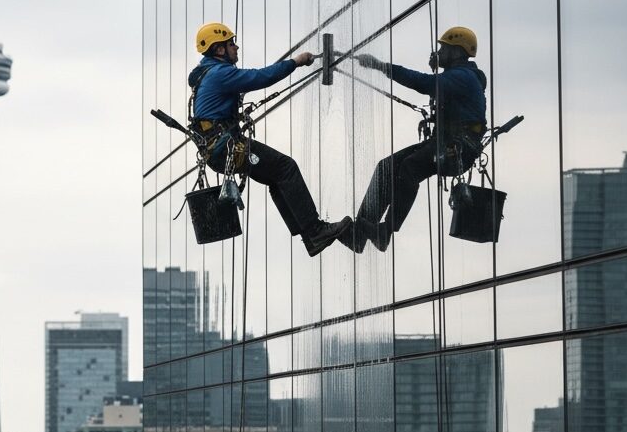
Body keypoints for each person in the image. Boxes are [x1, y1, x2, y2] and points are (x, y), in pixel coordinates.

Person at [188, 22, 353, 257]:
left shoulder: (208, 74)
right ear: (219, 50)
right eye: (231, 43)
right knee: (286, 168)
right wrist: (295, 62)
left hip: (221, 148)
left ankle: (311, 235)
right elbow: (262, 77)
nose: (236, 47)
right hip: (227, 148)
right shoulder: (219, 74)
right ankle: (314, 232)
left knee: (277, 177)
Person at [345, 26, 487, 253]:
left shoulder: (463, 77)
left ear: (457, 52)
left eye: (443, 48)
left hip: (458, 148)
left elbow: (424, 84)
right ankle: (359, 234)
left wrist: (381, 66)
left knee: (410, 168)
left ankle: (386, 231)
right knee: (386, 167)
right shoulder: (456, 76)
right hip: (445, 143)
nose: (438, 52)